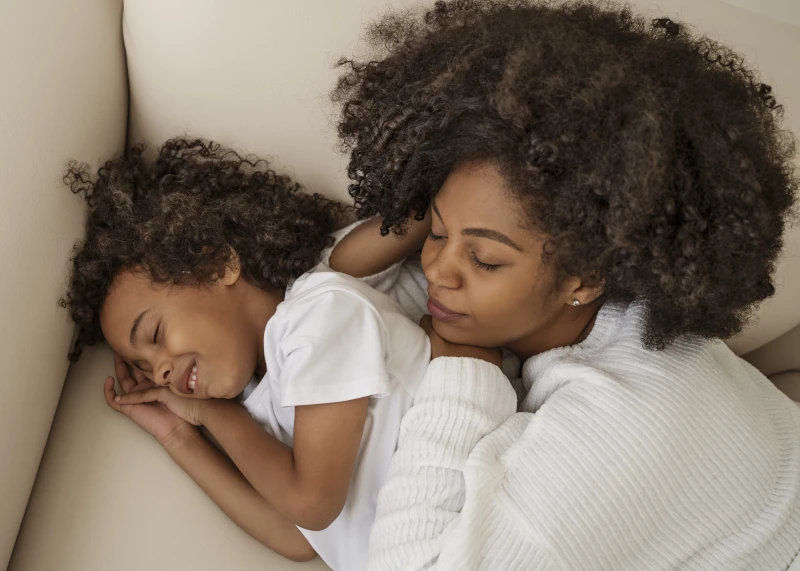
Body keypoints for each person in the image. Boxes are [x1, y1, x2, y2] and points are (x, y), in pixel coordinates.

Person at [328, 1, 800, 569]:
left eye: (483, 259)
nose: (437, 270)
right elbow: (341, 283)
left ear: (586, 277)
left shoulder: (613, 430)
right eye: (435, 229)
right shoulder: (595, 275)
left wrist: (464, 375)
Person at [60, 138, 435, 571]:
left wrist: (213, 417)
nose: (160, 372)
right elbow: (298, 538)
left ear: (220, 265)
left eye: (156, 334)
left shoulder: (318, 316)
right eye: (145, 367)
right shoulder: (259, 403)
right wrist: (177, 436)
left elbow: (311, 504)